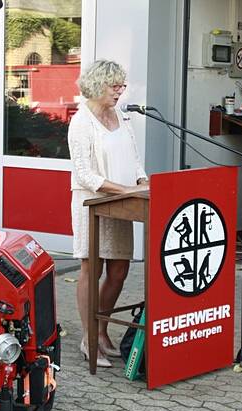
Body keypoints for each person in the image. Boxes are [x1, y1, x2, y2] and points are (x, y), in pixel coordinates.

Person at [68, 60, 149, 368]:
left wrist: (141, 180)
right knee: (92, 270)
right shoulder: (81, 122)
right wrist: (126, 191)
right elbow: (86, 176)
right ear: (98, 85)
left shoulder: (121, 116)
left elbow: (133, 157)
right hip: (93, 204)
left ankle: (102, 331)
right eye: (115, 86)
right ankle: (89, 339)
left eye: (122, 86)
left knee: (119, 271)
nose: (120, 92)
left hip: (122, 203)